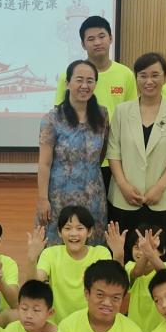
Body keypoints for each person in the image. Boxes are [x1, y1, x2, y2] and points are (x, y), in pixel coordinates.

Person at [107, 53, 166, 265]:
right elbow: (113, 151)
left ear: (165, 76)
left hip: (163, 198)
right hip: (125, 197)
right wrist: (123, 185)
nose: (149, 81)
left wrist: (159, 188)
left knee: (162, 256)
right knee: (126, 255)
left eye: (155, 75)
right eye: (143, 75)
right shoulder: (122, 111)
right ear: (136, 78)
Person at [53, 16, 136, 188]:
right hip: (78, 159)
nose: (97, 42)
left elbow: (132, 115)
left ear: (110, 38)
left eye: (101, 36)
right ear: (83, 45)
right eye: (90, 39)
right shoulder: (69, 76)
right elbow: (58, 118)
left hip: (115, 157)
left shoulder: (126, 74)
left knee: (111, 204)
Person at [37, 60, 109, 245]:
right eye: (79, 80)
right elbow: (44, 164)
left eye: (90, 81)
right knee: (58, 244)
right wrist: (43, 199)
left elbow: (101, 153)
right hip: (59, 195)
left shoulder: (102, 115)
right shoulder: (52, 119)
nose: (85, 85)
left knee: (92, 244)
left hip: (93, 194)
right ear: (68, 83)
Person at [27, 206, 120, 323]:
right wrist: (31, 259)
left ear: (89, 231)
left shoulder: (100, 253)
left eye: (80, 228)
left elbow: (115, 283)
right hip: (58, 325)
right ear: (59, 232)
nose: (73, 233)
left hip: (91, 325)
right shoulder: (50, 253)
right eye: (67, 228)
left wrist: (118, 255)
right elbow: (34, 284)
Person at [123, 225, 166, 332]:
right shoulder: (129, 266)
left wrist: (148, 252)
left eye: (151, 248)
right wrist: (148, 251)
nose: (141, 251)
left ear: (163, 251)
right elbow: (137, 273)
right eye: (137, 247)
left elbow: (165, 275)